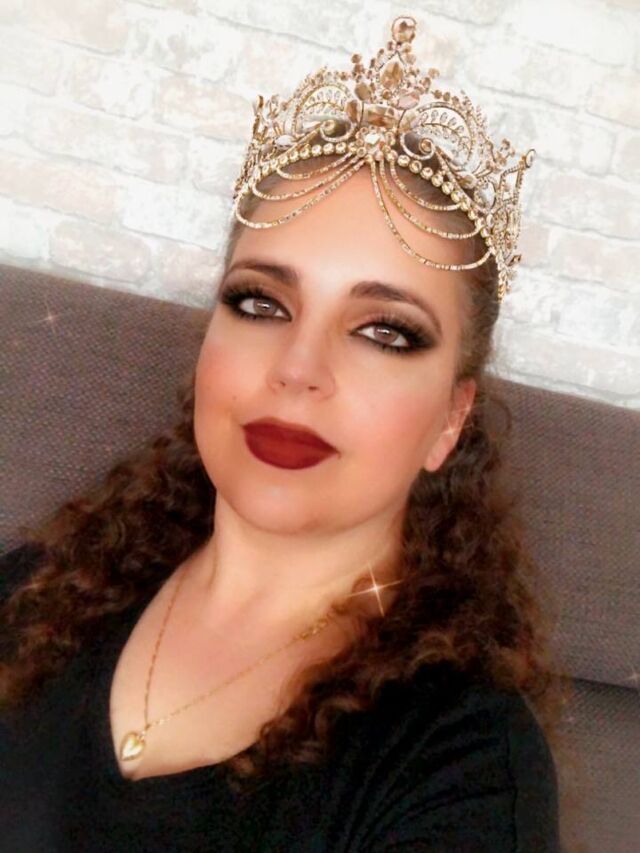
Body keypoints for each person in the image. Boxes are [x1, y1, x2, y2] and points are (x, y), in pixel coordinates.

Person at [0, 15, 567, 852]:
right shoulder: (44, 591)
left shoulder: (465, 765)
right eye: (261, 303)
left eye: (385, 332)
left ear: (450, 419)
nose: (298, 367)